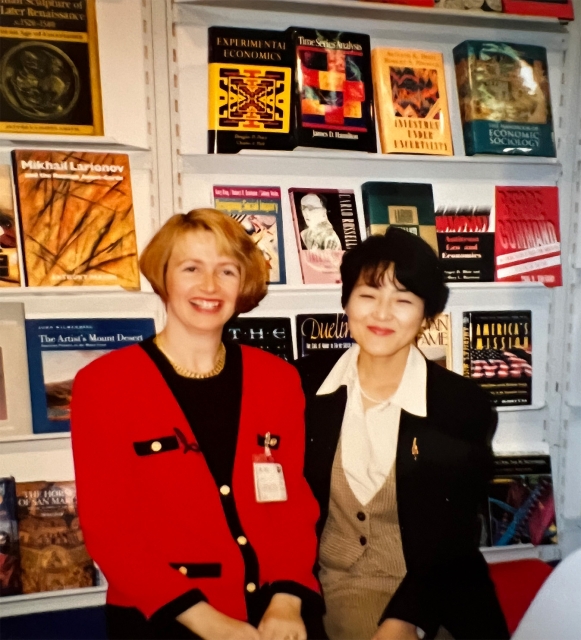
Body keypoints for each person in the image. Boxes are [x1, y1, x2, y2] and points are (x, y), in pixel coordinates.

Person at [71, 209, 323, 640]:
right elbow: (110, 527)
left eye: (226, 270)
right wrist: (211, 623)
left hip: (277, 615)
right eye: (192, 268)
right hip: (165, 618)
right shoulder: (104, 384)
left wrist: (286, 598)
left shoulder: (278, 378)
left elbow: (293, 504)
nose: (210, 286)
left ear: (242, 282)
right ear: (163, 276)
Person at [296, 227, 510, 640]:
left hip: (437, 594)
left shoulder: (461, 404)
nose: (382, 314)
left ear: (427, 315)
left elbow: (453, 535)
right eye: (368, 295)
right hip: (335, 589)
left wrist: (404, 619)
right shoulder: (304, 387)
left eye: (403, 300)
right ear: (345, 302)